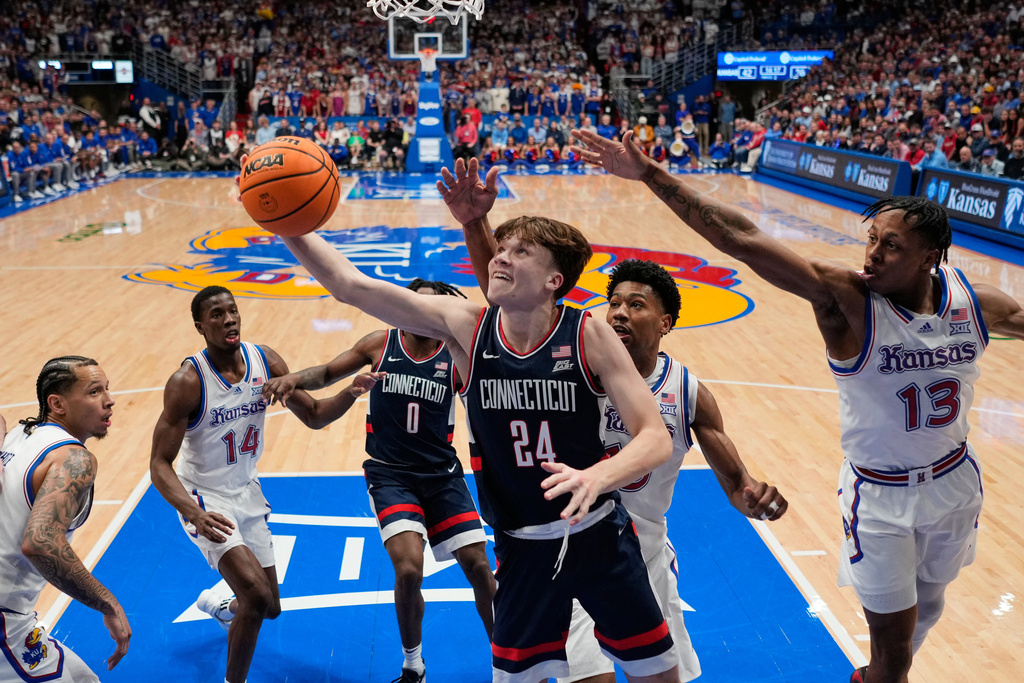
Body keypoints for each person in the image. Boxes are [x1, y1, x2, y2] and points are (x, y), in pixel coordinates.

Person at [570, 127, 1024, 683]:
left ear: (930, 257)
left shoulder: (977, 305)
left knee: (925, 615)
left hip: (955, 484)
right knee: (895, 648)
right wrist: (651, 175)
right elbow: (741, 236)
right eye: (872, 238)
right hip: (880, 494)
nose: (873, 254)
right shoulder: (846, 300)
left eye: (891, 245)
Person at [252, 151, 683, 681]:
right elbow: (351, 286)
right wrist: (284, 222)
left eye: (520, 251)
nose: (499, 258)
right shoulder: (466, 326)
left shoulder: (586, 332)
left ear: (554, 280)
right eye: (499, 248)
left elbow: (654, 437)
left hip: (598, 537)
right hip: (523, 548)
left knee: (657, 675)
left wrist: (598, 475)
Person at [453, 171, 789, 682]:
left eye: (637, 305)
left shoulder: (687, 393)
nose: (620, 314)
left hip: (643, 553)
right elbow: (505, 303)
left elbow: (736, 483)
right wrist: (477, 225)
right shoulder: (578, 355)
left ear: (665, 322)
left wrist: (752, 496)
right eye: (614, 303)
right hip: (576, 541)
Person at [261, 279, 497, 683]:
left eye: (430, 308)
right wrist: (293, 379)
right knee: (408, 569)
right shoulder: (379, 343)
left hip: (442, 476)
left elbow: (489, 396)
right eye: (413, 307)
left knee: (479, 567)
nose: (422, 316)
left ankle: (510, 661)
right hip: (390, 474)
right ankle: (413, 666)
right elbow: (326, 372)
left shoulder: (454, 354)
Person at [149, 285, 380, 683]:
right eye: (217, 315)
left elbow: (315, 415)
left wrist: (352, 391)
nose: (229, 320)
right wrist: (194, 513)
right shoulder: (188, 381)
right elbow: (158, 464)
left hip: (245, 489)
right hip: (205, 496)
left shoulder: (264, 359)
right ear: (200, 326)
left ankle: (222, 603)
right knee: (255, 598)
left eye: (233, 311)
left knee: (269, 605)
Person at [0, 356, 132, 680]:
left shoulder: (19, 433)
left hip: (17, 618)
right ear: (57, 403)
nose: (109, 400)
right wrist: (108, 603)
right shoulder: (74, 458)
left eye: (107, 389)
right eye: (93, 392)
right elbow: (41, 542)